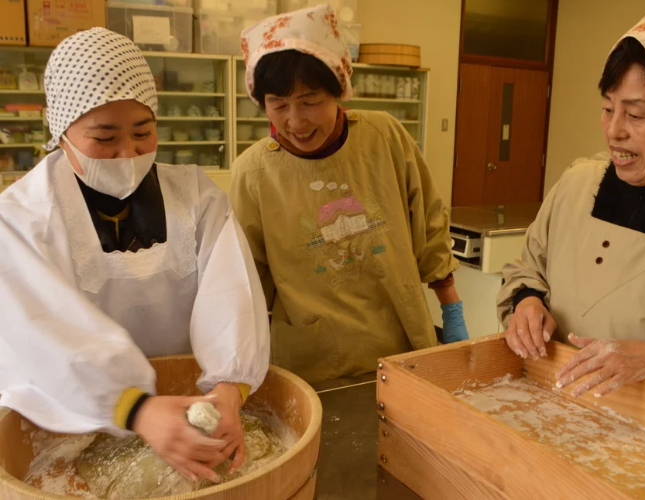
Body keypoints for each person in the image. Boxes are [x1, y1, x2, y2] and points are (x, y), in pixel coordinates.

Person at [0, 28, 270, 483]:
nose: (127, 154)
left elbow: (232, 297)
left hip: (190, 406)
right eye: (104, 139)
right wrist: (135, 408)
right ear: (61, 129)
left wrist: (228, 389)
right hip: (74, 419)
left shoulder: (196, 197)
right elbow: (35, 333)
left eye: (143, 132)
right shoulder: (25, 218)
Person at [230, 4, 468, 385]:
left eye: (311, 102)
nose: (296, 121)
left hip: (401, 337)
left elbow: (429, 220)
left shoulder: (383, 136)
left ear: (340, 90)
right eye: (278, 105)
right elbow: (247, 279)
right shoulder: (254, 173)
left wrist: (451, 309)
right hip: (316, 359)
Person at [497, 11, 645, 398]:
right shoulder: (578, 183)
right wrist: (525, 302)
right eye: (608, 108)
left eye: (636, 114)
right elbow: (527, 269)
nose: (614, 130)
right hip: (547, 404)